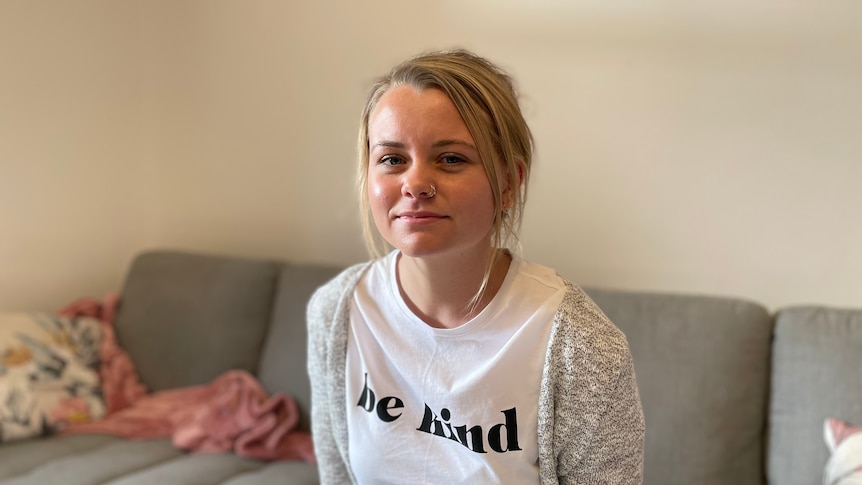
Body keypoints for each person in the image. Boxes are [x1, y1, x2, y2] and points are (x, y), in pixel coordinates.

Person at [307, 49, 644, 484]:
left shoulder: (583, 350)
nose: (414, 184)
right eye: (392, 159)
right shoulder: (336, 312)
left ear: (508, 185)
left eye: (451, 159)